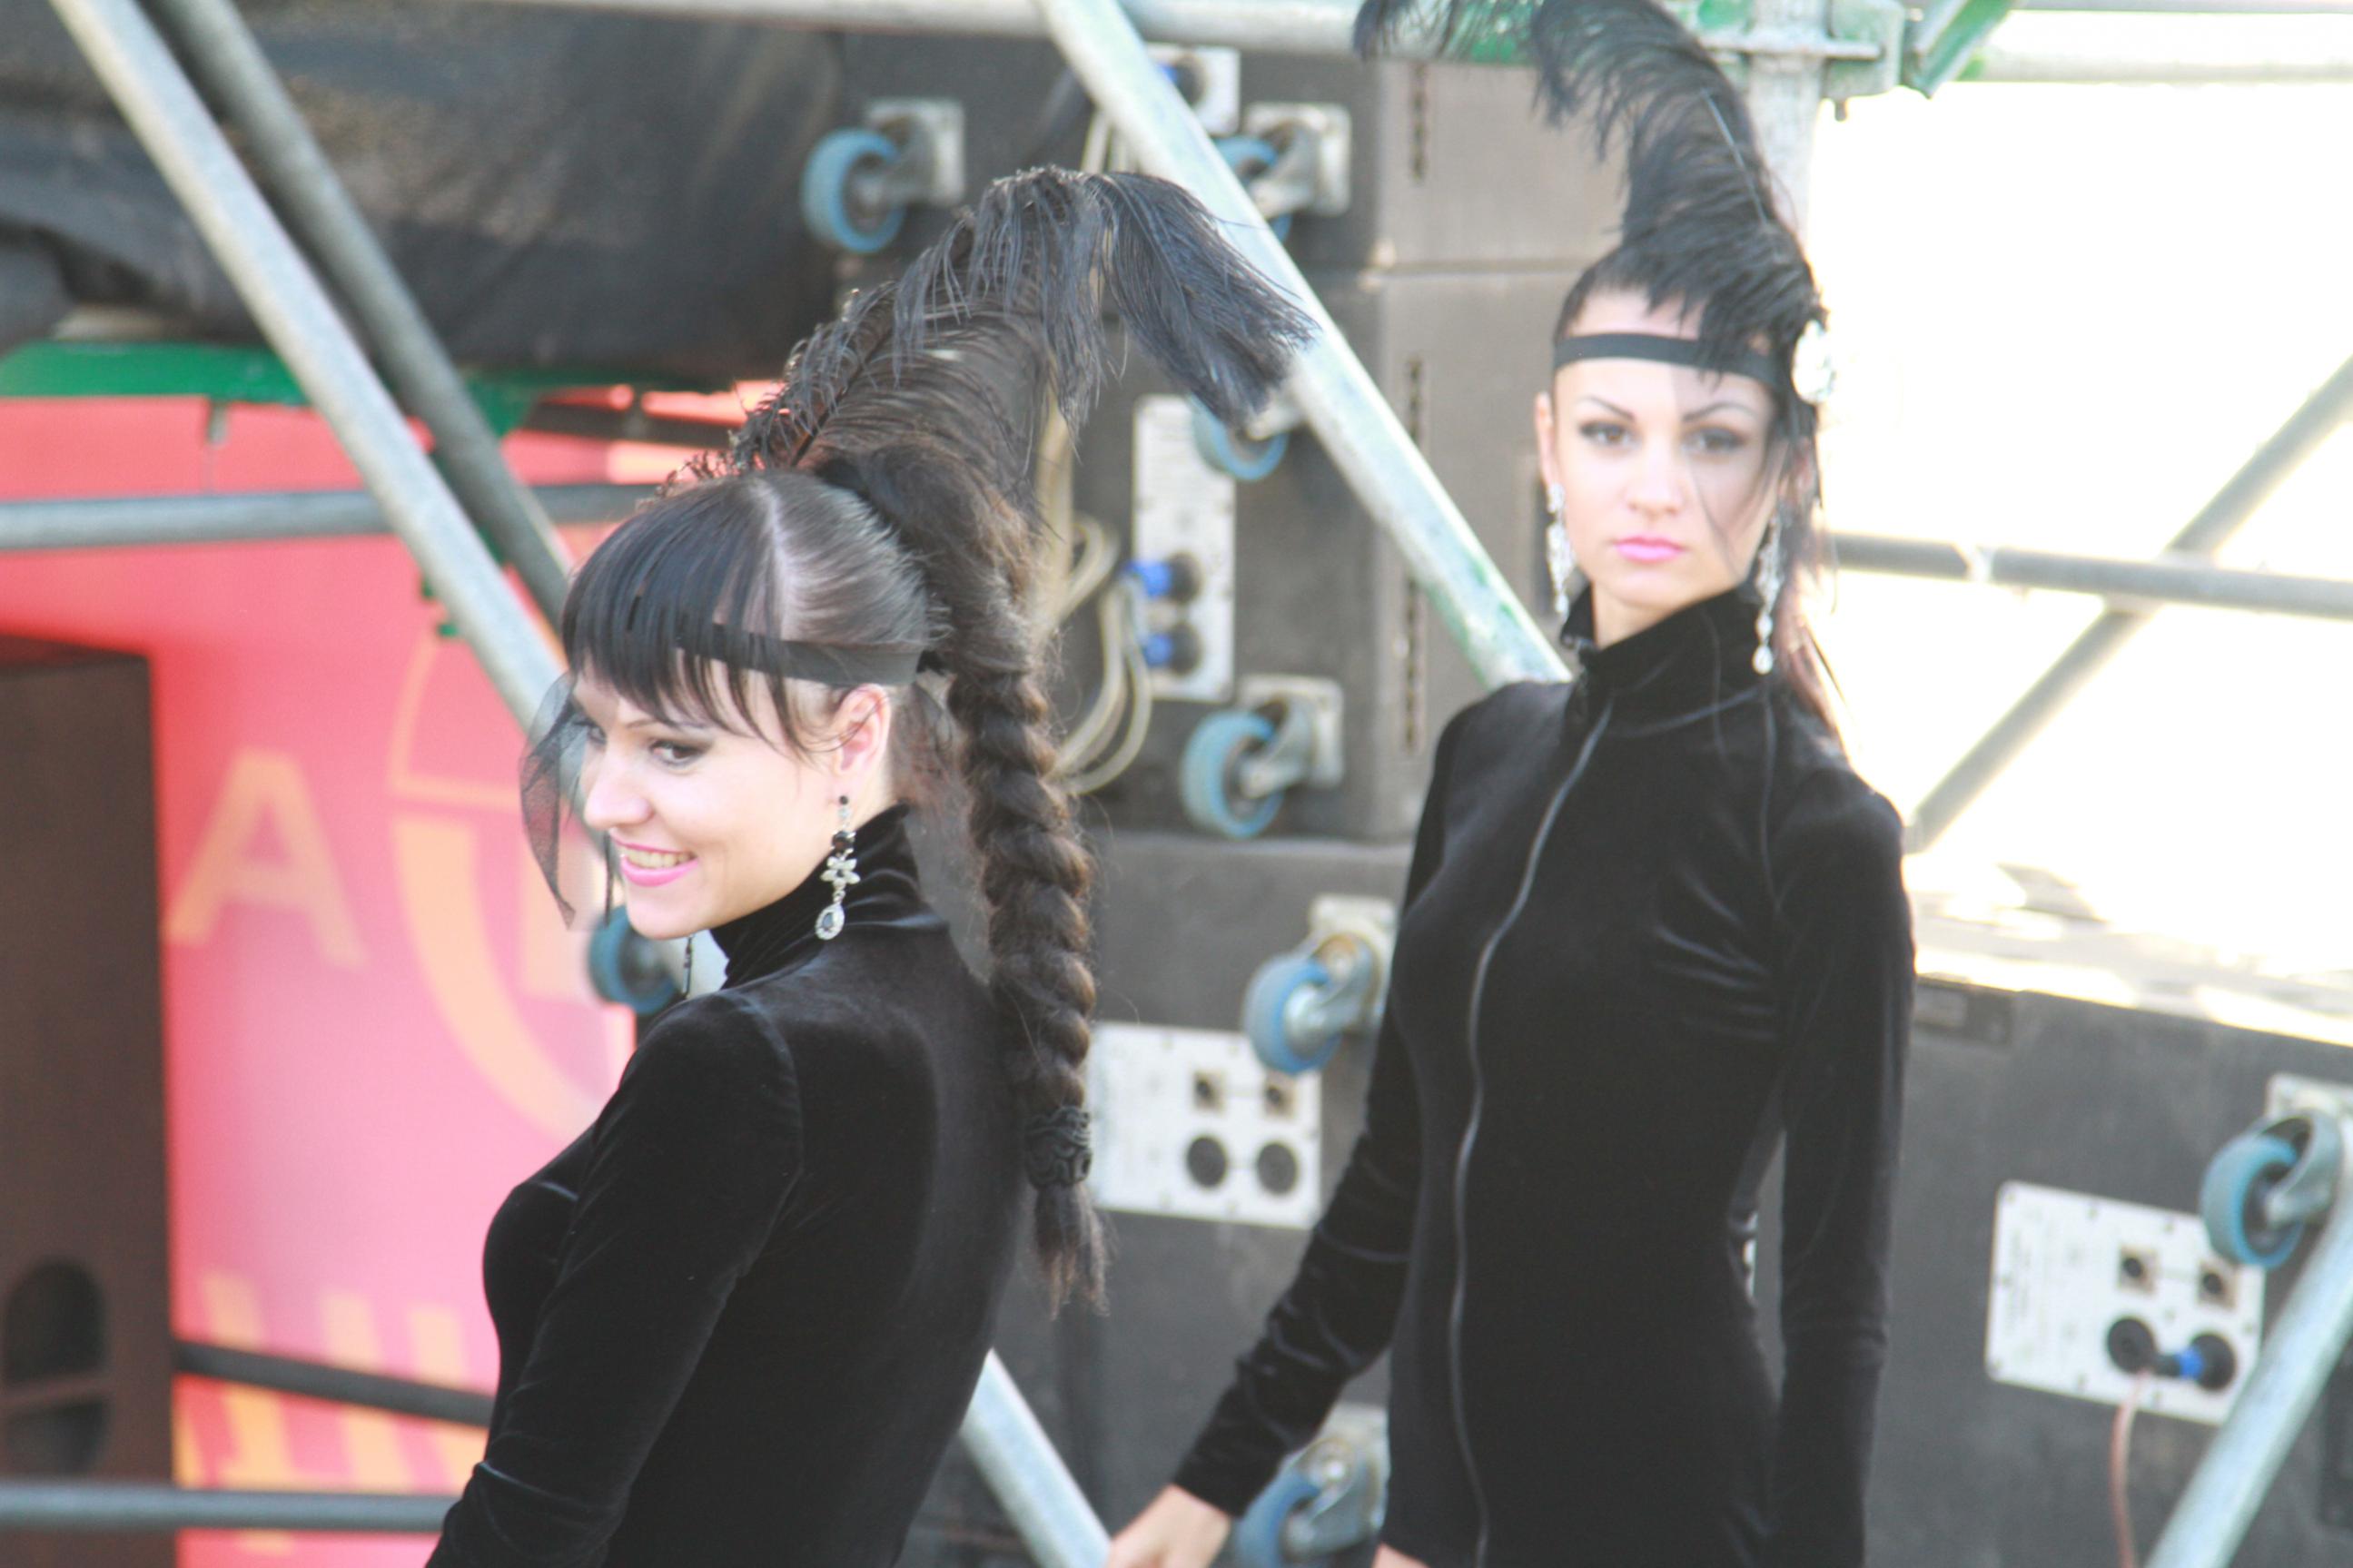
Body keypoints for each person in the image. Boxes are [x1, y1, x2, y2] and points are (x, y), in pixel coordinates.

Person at [1107, 5, 1913, 1566]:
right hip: (1433, 1533)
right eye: (1612, 433)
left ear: (1788, 468)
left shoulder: (1818, 836)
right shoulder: (1488, 753)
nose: (1656, 486)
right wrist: (1213, 1481)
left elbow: (1840, 1310)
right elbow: (1396, 1182)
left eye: (1714, 438)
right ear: (1549, 446)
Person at [427, 168, 1310, 1568]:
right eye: (599, 732)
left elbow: (534, 1524)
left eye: (676, 749)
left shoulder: (743, 1066)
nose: (603, 795)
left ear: (853, 735)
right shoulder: (950, 1010)